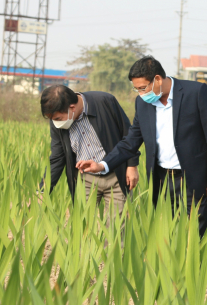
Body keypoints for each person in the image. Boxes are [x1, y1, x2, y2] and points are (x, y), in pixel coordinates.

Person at [76, 56, 207, 237]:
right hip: (161, 179)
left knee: (194, 232)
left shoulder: (195, 92)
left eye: (143, 88)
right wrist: (102, 164)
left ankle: (194, 265)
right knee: (165, 233)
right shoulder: (143, 103)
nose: (140, 94)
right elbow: (131, 141)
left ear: (157, 79)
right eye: (136, 89)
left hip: (192, 178)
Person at [41, 85, 139, 229]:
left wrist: (132, 165)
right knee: (83, 229)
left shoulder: (104, 101)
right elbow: (57, 157)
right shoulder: (58, 121)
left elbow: (128, 135)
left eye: (57, 118)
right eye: (52, 119)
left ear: (72, 107)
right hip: (85, 179)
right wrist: (43, 189)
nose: (56, 123)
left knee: (115, 231)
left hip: (117, 176)